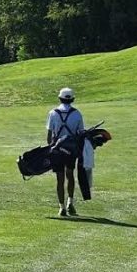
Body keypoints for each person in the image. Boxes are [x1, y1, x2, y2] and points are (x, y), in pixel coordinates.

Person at [46, 86, 85, 217]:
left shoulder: (53, 113)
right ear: (72, 99)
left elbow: (49, 136)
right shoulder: (77, 114)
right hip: (71, 149)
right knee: (70, 174)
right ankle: (70, 202)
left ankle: (61, 207)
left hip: (57, 150)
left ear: (59, 98)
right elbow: (80, 133)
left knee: (60, 178)